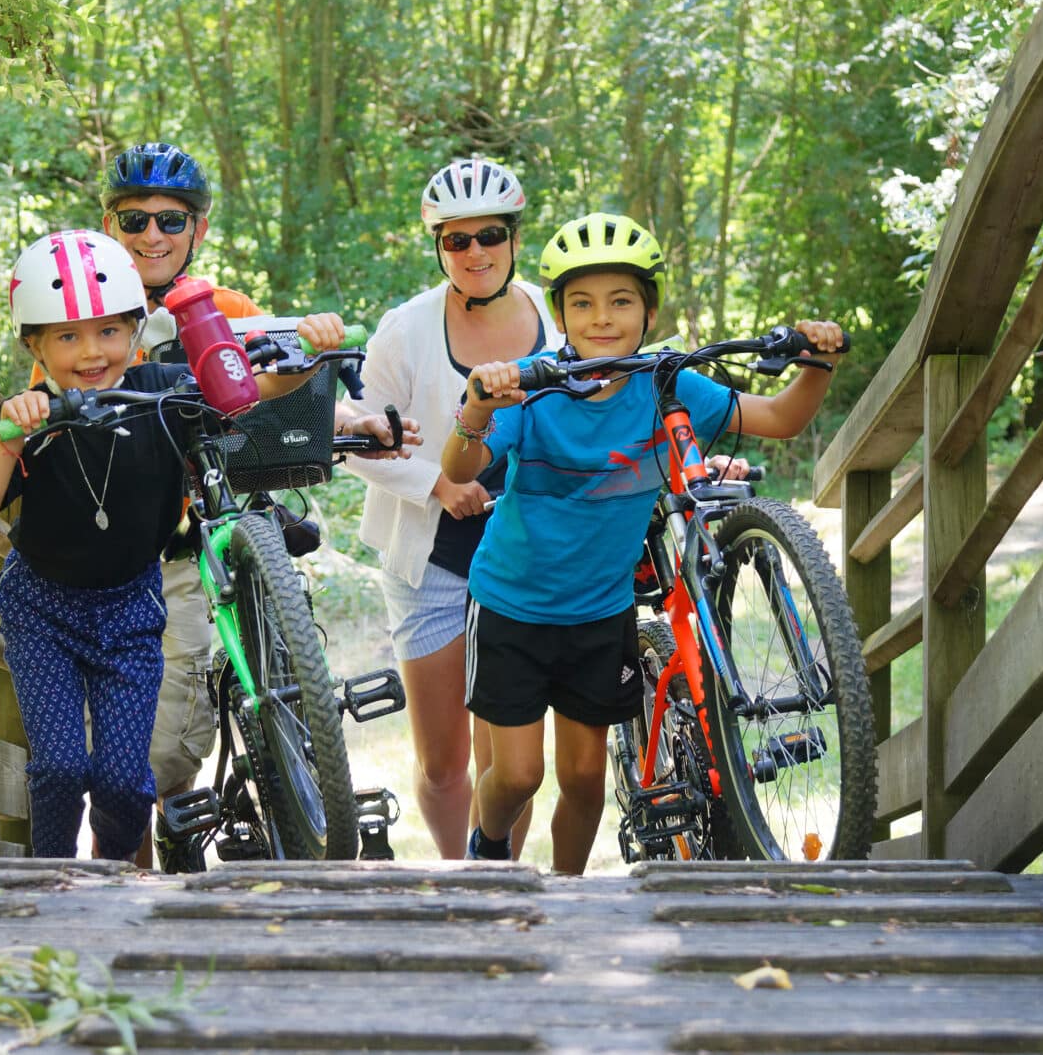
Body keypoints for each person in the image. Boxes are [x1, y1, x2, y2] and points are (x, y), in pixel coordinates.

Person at [445, 212, 845, 874]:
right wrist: (478, 408)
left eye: (621, 301)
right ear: (561, 315)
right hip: (512, 607)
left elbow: (778, 416)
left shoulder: (669, 383)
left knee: (582, 781)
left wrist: (816, 363)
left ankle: (568, 896)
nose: (602, 317)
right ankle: (487, 847)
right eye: (583, 303)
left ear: (648, 310)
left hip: (600, 616)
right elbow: (459, 469)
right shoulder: (531, 386)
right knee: (516, 776)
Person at [95, 142, 410, 860]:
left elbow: (273, 380)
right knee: (150, 748)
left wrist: (354, 417)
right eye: (134, 219)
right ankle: (138, 879)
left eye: (170, 221)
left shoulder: (222, 309)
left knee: (193, 694)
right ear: (109, 224)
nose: (152, 236)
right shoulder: (87, 314)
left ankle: (289, 743)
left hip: (217, 519)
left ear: (197, 230)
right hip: (137, 546)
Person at [0, 230, 199, 860]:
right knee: (59, 769)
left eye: (109, 331)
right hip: (43, 610)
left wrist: (308, 363)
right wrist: (9, 439)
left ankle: (111, 875)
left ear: (136, 331)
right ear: (35, 344)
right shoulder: (28, 416)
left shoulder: (163, 393)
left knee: (123, 781)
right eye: (67, 336)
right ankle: (50, 878)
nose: (91, 352)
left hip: (131, 608)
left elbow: (245, 395)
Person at [345, 158, 560, 858]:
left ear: (515, 237)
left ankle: (499, 879)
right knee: (444, 761)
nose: (474, 253)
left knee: (509, 761)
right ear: (438, 246)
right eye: (455, 240)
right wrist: (437, 484)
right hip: (431, 557)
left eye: (489, 235)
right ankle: (456, 879)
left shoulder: (560, 319)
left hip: (528, 557)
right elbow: (354, 442)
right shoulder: (404, 330)